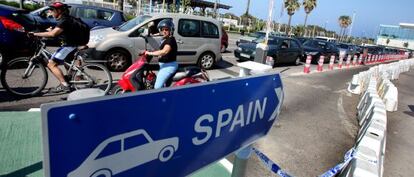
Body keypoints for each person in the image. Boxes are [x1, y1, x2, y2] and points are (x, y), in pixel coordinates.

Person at [29, 2, 78, 93]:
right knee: (66, 64)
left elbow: (53, 34)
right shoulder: (65, 19)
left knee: (51, 64)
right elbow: (59, 31)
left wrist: (35, 34)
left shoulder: (64, 20)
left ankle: (65, 85)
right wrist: (50, 31)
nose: (51, 12)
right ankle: (70, 80)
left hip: (69, 46)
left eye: (52, 10)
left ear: (59, 11)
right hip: (71, 45)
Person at [144, 19, 178, 89]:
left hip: (168, 66)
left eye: (166, 29)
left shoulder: (170, 40)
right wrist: (148, 51)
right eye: (162, 29)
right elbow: (160, 49)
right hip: (164, 66)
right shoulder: (165, 39)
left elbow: (164, 51)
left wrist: (150, 53)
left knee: (157, 87)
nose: (164, 31)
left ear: (171, 30)